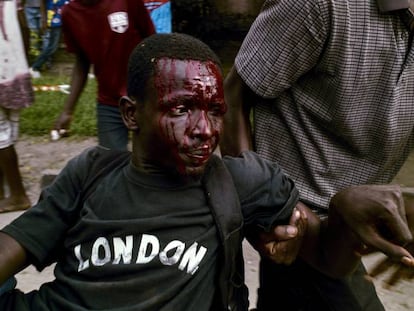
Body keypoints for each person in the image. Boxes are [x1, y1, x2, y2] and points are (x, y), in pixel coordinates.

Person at [1, 32, 413, 310]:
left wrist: (344, 208)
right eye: (180, 109)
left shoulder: (242, 182)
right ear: (131, 114)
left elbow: (326, 259)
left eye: (214, 112)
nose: (204, 130)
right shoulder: (89, 173)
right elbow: (13, 247)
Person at [221, 0, 414, 310]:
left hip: (355, 232)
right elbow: (230, 101)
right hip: (298, 224)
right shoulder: (322, 5)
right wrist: (266, 211)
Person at [52, 0, 155, 150]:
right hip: (109, 102)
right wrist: (67, 111)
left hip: (145, 97)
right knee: (110, 163)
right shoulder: (69, 13)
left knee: (151, 161)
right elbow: (81, 62)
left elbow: (152, 40)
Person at [0, 0, 33, 213]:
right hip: (16, 70)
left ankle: (18, 194)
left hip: (3, 71)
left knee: (2, 138)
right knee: (8, 132)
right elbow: (25, 29)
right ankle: (4, 190)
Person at [29, 0, 67, 78]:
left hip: (68, 17)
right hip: (55, 19)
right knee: (52, 47)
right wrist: (44, 19)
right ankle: (34, 67)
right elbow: (42, 3)